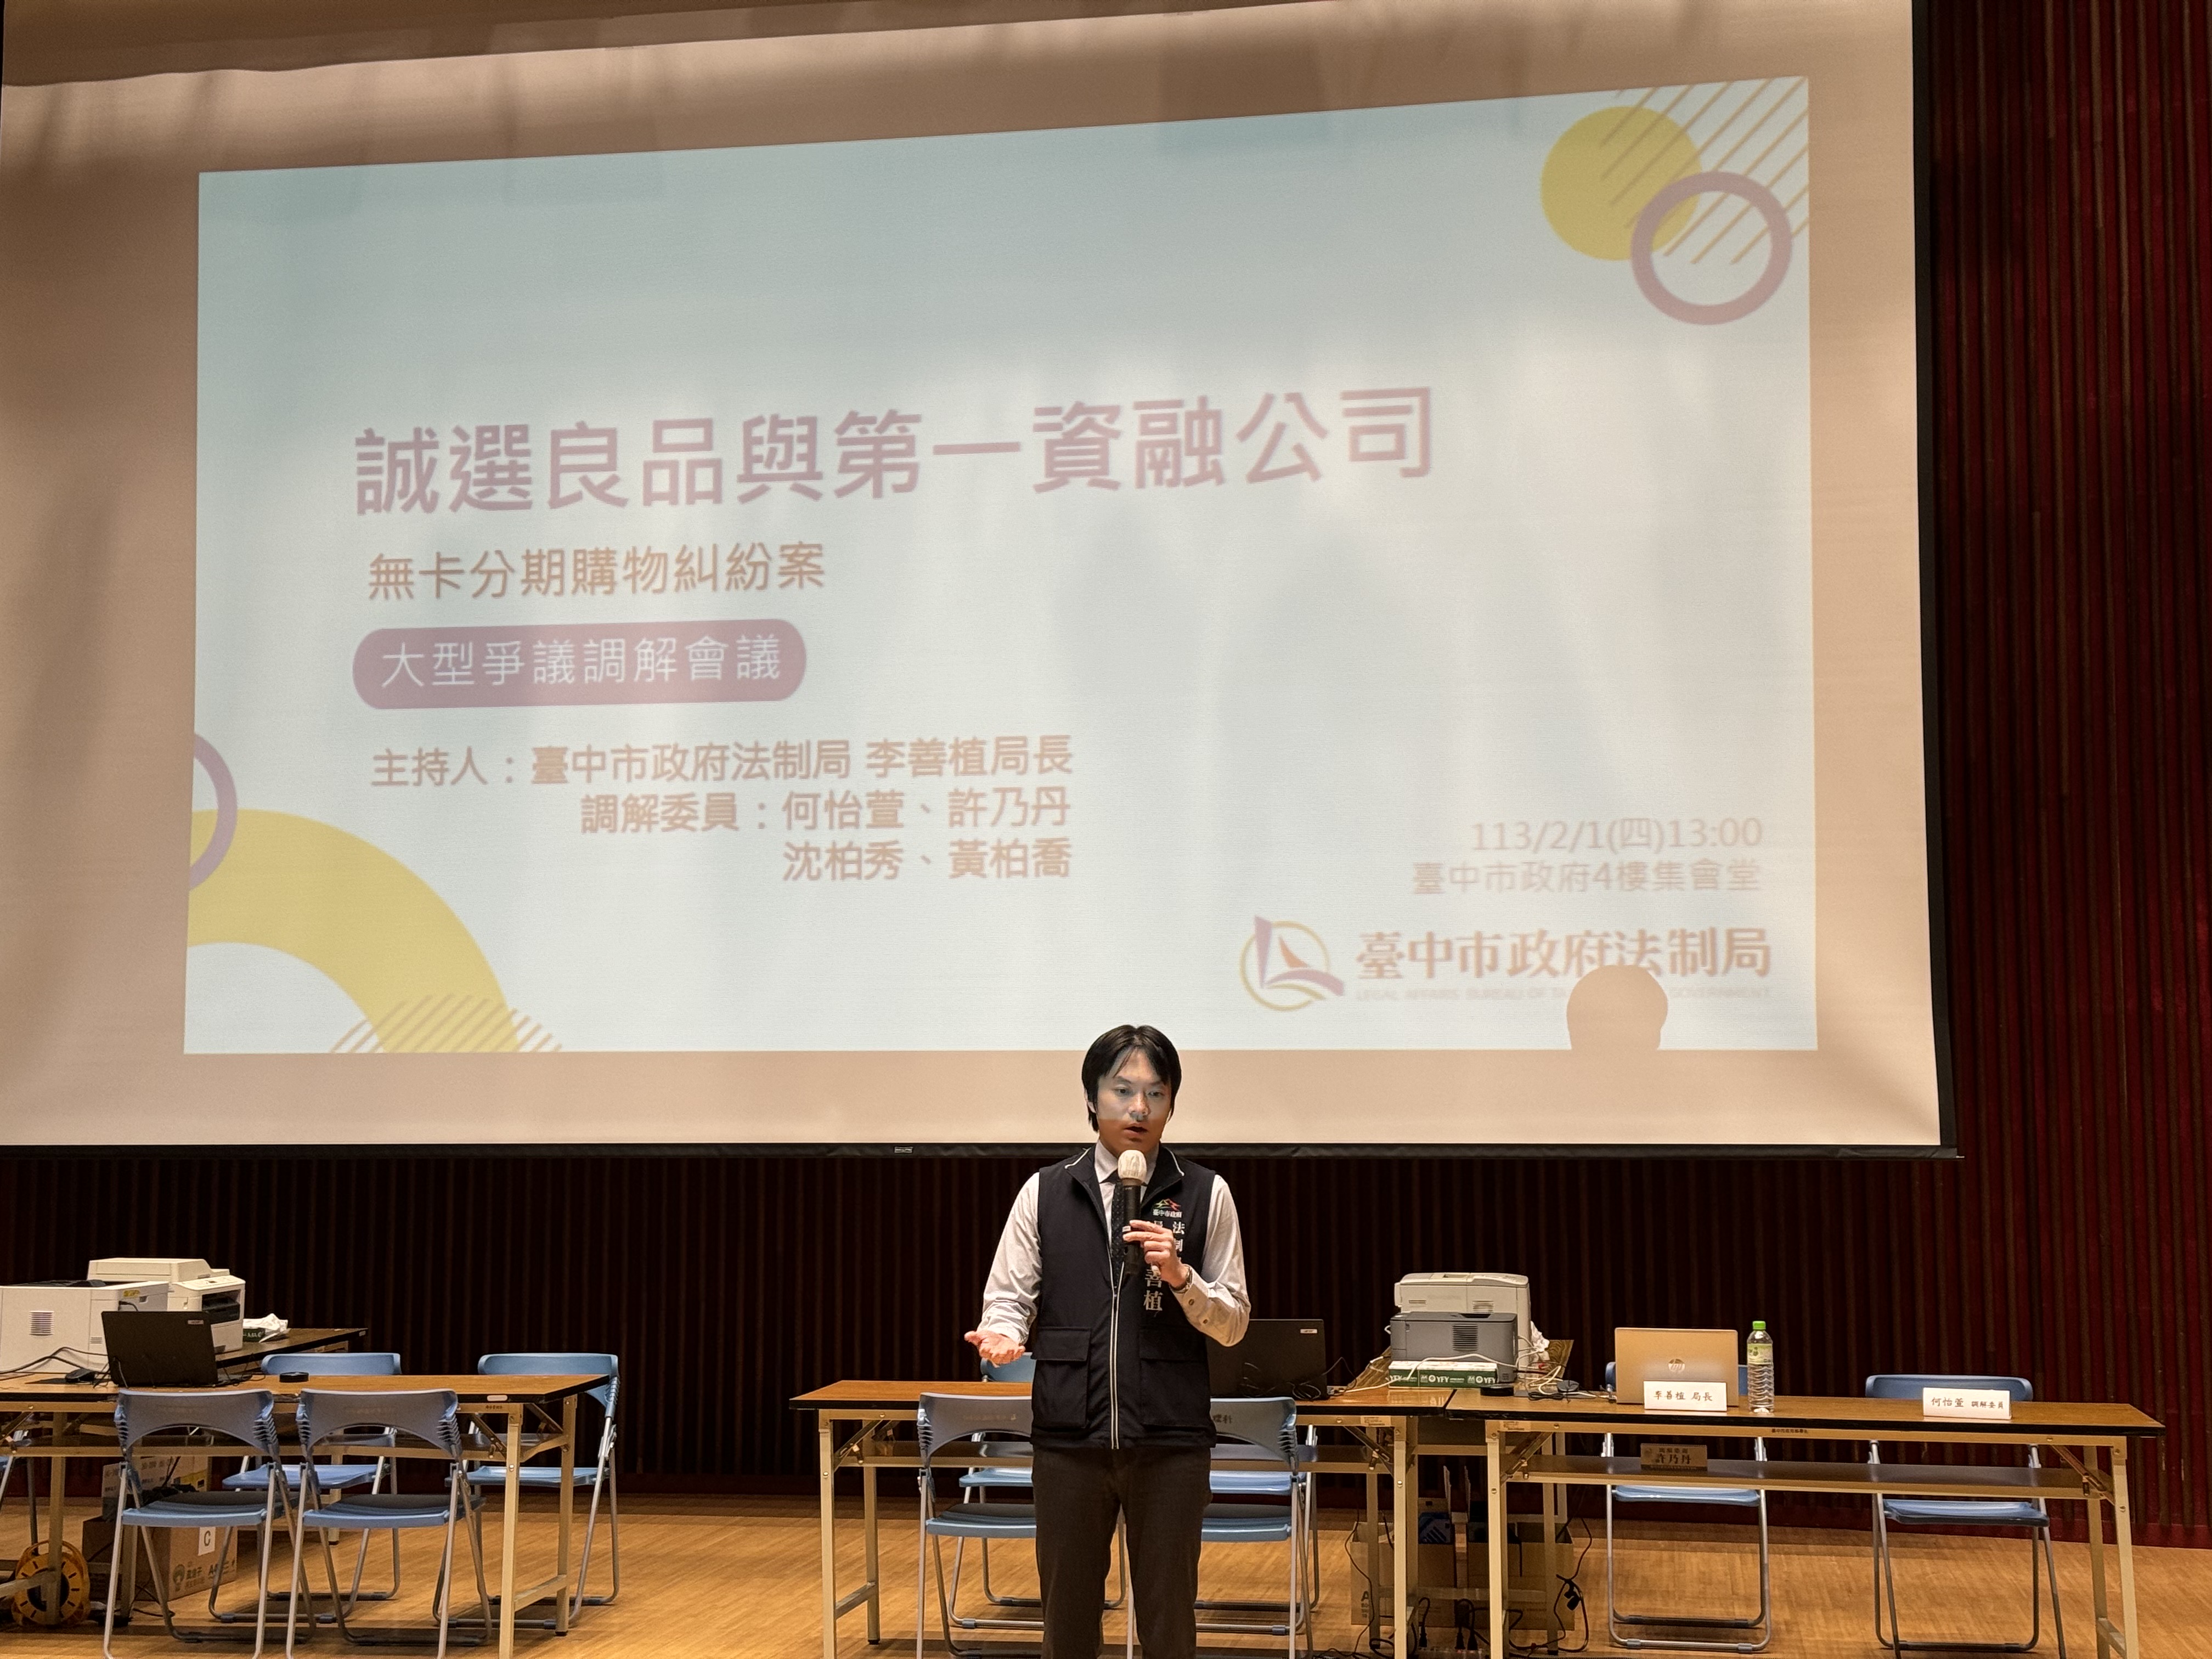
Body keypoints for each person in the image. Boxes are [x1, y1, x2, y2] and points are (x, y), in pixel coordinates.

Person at [964, 1024, 1250, 1659]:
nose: (1139, 1109)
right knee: (1067, 1628)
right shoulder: (1045, 1191)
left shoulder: (1207, 1193)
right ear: (1092, 1099)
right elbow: (1008, 1298)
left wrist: (1183, 1279)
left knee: (1169, 1629)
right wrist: (1004, 1335)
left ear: (1173, 1104)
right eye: (1122, 1091)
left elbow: (1233, 1324)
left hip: (1170, 1442)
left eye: (1156, 1093)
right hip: (1070, 1441)